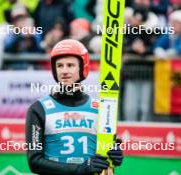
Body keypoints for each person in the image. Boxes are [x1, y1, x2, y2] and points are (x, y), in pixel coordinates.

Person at [26, 39, 123, 175]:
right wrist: (78, 169)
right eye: (59, 66)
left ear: (82, 68)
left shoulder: (100, 109)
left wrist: (113, 156)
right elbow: (34, 162)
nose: (64, 71)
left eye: (70, 65)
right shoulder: (38, 109)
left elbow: (104, 158)